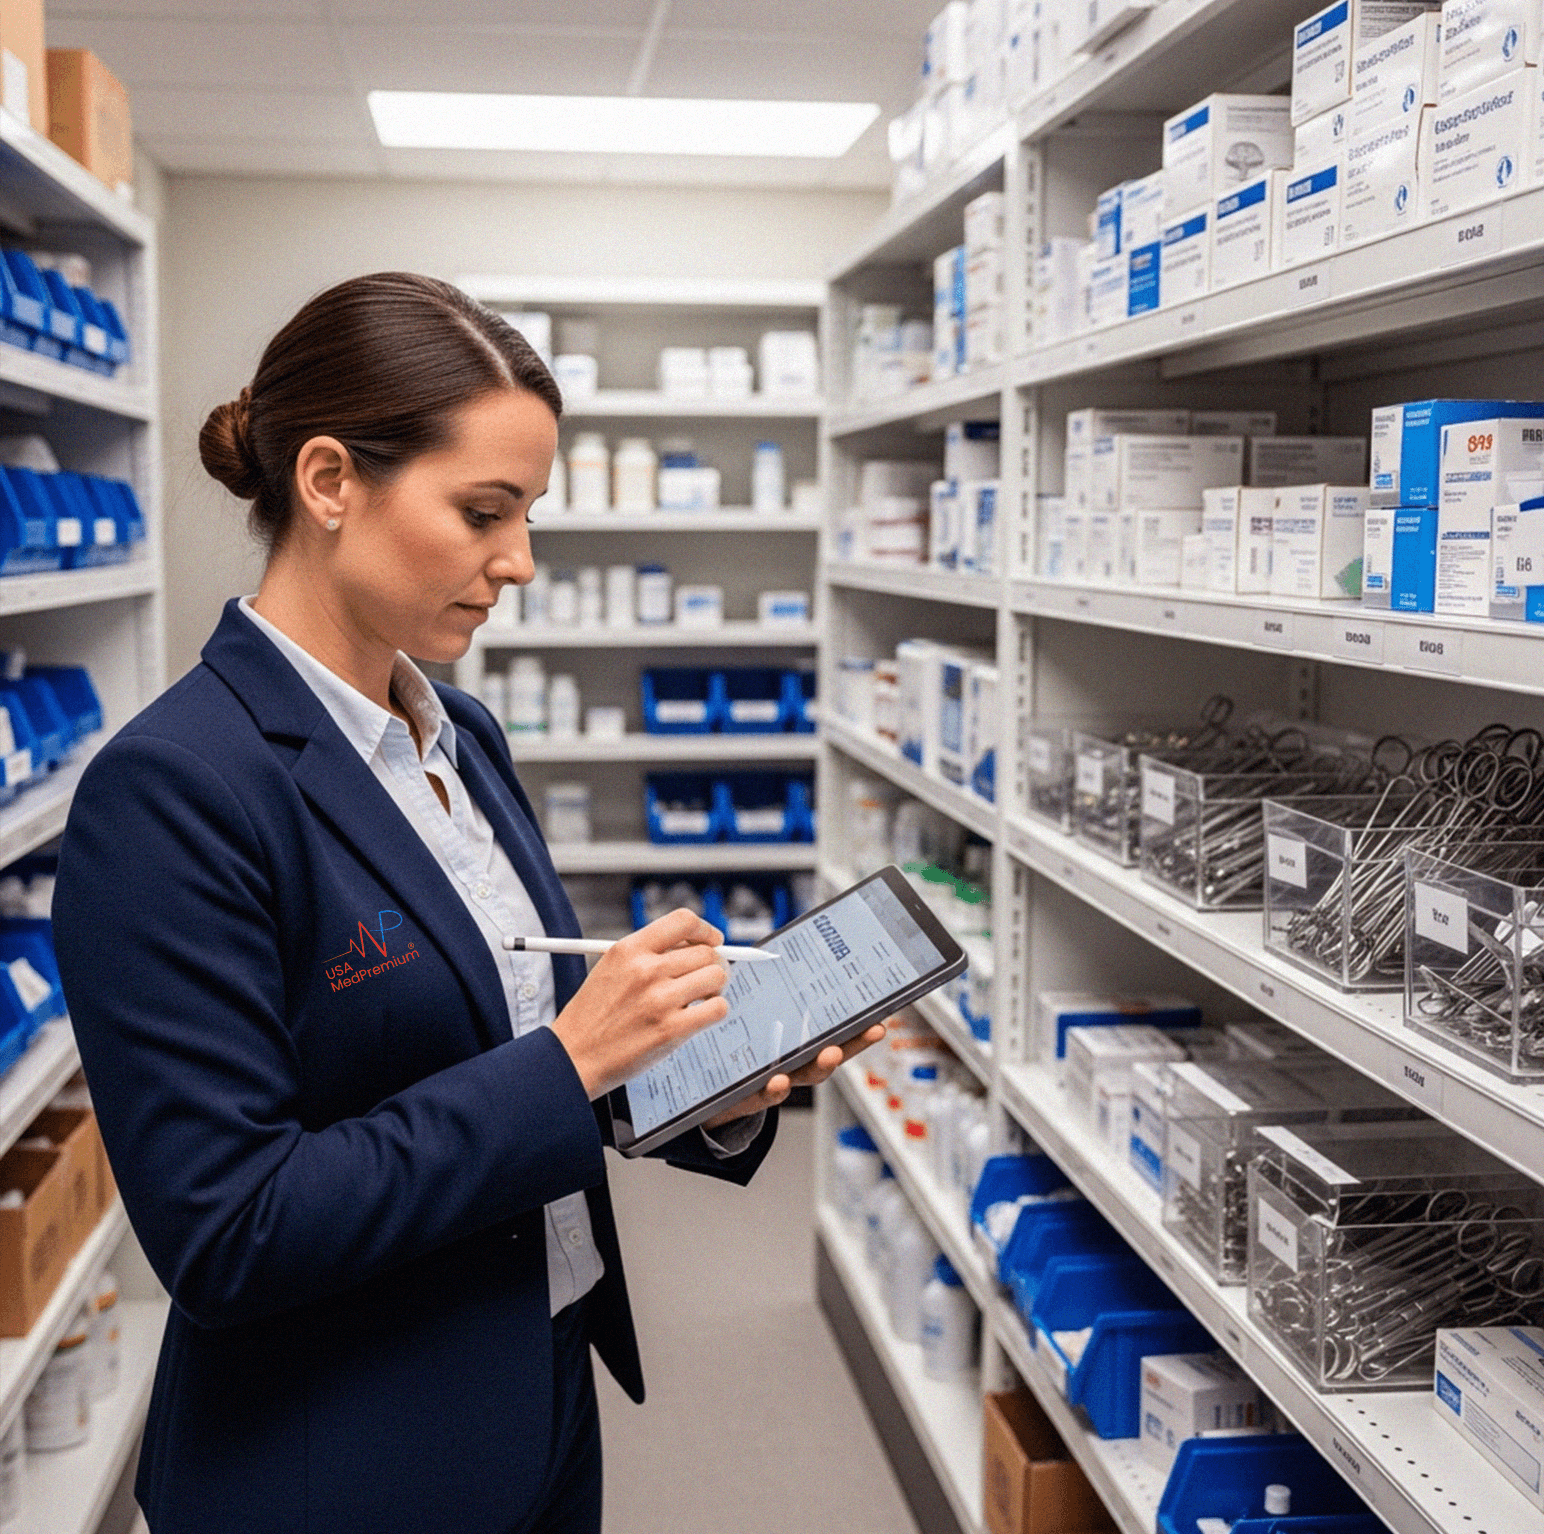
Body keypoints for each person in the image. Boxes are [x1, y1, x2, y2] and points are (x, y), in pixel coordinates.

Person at [50, 272, 885, 1534]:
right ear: (329, 481)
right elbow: (230, 1231)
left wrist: (696, 1085)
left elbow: (507, 1048)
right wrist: (571, 1060)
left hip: (536, 1391)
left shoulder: (461, 735)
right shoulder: (174, 790)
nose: (520, 562)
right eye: (483, 511)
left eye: (528, 514)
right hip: (341, 1461)